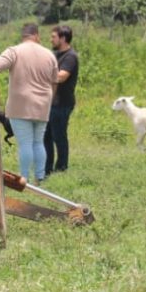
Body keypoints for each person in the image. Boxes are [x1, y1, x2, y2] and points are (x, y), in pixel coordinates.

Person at [0, 23, 59, 184]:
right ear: (37, 35)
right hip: (43, 105)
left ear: (24, 36)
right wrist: (49, 99)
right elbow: (55, 81)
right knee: (38, 142)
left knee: (25, 143)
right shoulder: (49, 54)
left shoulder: (15, 51)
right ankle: (40, 177)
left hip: (21, 105)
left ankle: (24, 178)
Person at [43, 24, 79, 177]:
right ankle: (47, 168)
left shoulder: (70, 56)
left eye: (53, 37)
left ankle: (62, 167)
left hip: (62, 103)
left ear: (63, 38)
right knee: (46, 137)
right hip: (50, 103)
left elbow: (61, 77)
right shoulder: (54, 54)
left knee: (59, 136)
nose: (51, 39)